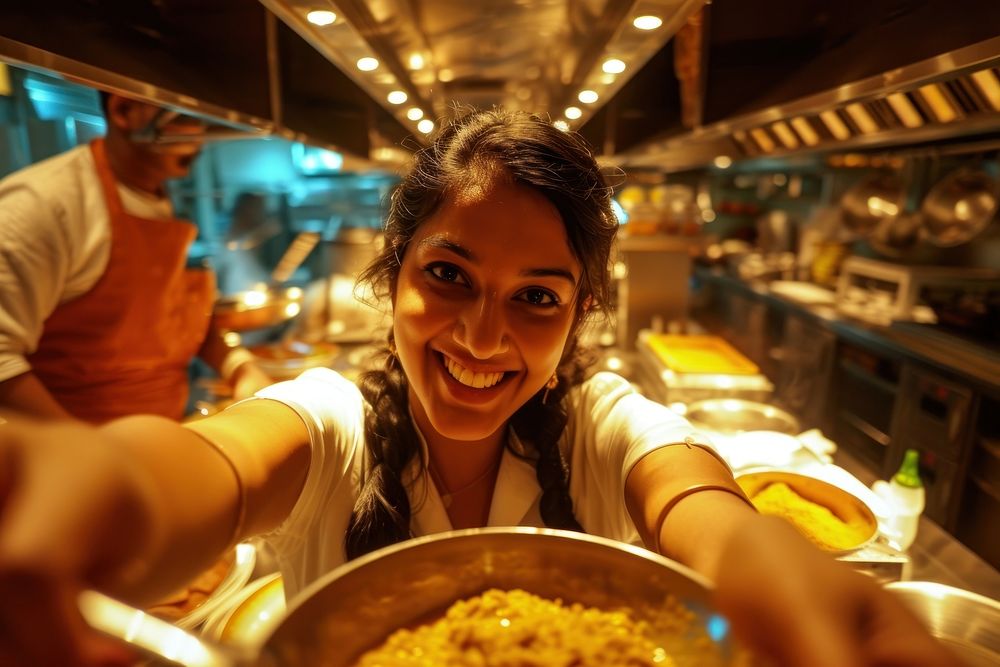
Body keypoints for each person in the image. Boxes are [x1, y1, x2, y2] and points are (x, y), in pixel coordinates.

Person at [0, 109, 960, 667]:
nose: (483, 336)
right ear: (393, 277)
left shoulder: (597, 424)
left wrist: (755, 549)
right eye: (449, 276)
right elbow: (205, 462)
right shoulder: (333, 422)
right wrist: (109, 487)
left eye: (536, 298)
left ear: (581, 311)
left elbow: (691, 489)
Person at [0, 92, 273, 423]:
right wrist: (86, 451)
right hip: (71, 462)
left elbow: (176, 323)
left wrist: (239, 366)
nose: (201, 137)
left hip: (160, 441)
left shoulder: (164, 195)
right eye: (186, 118)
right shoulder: (41, 205)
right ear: (124, 110)